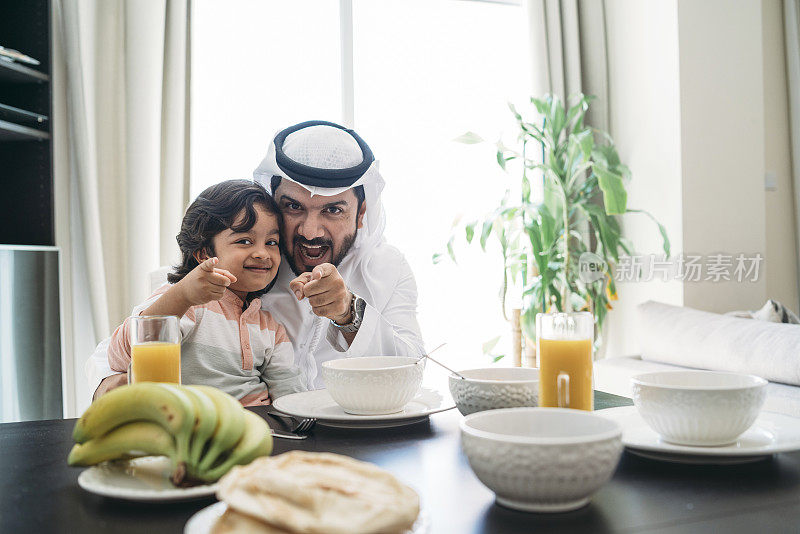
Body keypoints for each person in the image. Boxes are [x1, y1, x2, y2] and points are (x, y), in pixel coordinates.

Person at [89, 120, 424, 398]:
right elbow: (116, 351)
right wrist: (108, 384)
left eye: (333, 210)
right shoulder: (240, 267)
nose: (309, 231)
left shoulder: (389, 269)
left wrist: (348, 312)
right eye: (293, 207)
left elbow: (412, 370)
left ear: (361, 212)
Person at [105, 180, 306, 404]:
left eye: (271, 242)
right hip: (197, 429)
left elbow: (290, 392)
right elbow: (122, 355)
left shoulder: (269, 326)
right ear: (204, 254)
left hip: (260, 430)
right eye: (244, 240)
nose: (262, 253)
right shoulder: (188, 304)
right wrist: (183, 295)